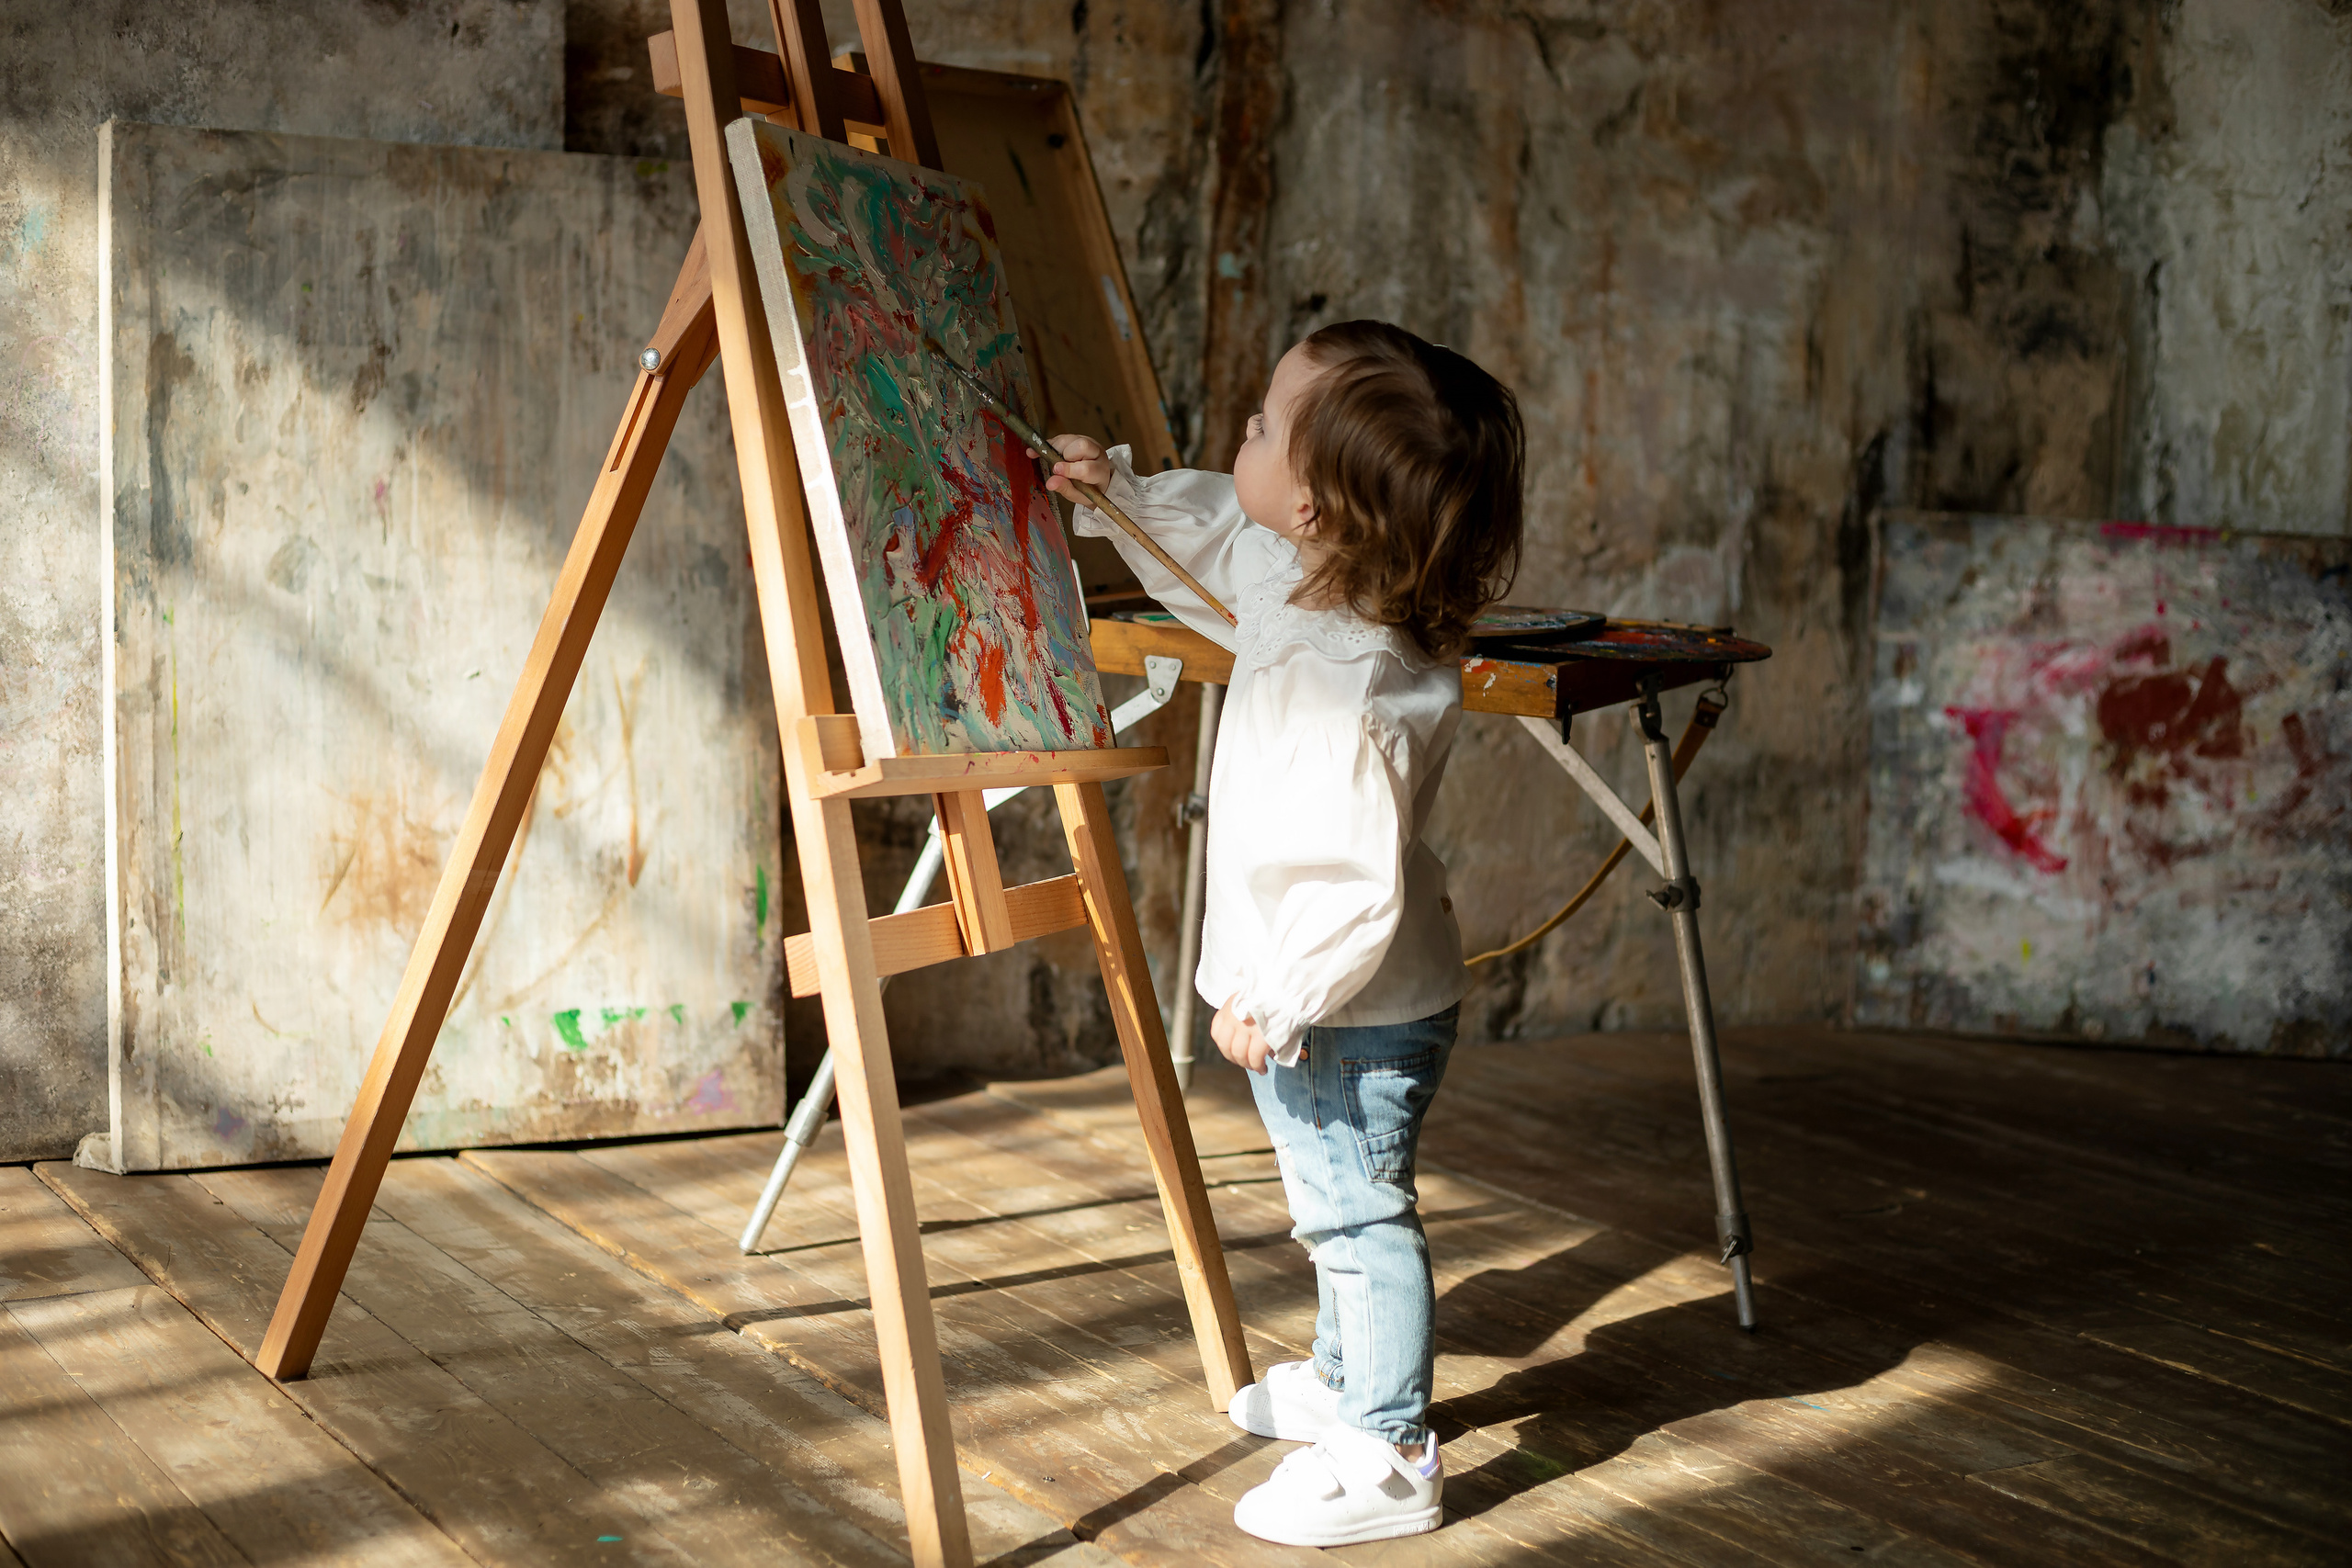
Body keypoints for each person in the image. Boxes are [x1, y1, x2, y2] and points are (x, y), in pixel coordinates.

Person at [1040, 319, 1525, 1547]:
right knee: (1331, 1204)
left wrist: (1281, 993)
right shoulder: (1305, 579)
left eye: (1261, 427)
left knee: (1358, 1217)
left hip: (1347, 1007)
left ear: (1316, 508)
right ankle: (1345, 1374)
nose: (1240, 435)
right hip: (1338, 1001)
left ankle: (1389, 1449)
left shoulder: (1349, 677)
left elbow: (1351, 880)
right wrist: (1119, 497)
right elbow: (1212, 545)